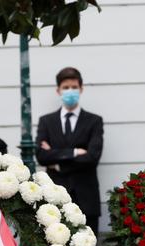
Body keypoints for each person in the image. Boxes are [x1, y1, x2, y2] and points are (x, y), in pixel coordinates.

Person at [35, 67, 104, 235]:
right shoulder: (46, 121)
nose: (70, 91)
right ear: (58, 90)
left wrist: (58, 162)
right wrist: (74, 152)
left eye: (74, 87)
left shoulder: (94, 121)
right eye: (66, 88)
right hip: (54, 197)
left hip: (86, 197)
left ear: (81, 89)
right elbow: (42, 156)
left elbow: (92, 157)